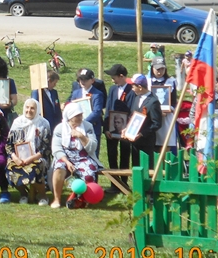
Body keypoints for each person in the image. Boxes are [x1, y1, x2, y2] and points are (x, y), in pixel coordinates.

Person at [49, 102, 102, 209]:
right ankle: (57, 199)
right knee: (59, 168)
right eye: (77, 116)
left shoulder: (87, 126)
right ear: (70, 116)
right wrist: (67, 162)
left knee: (88, 172)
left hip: (83, 157)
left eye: (81, 115)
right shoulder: (60, 128)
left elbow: (93, 147)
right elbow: (56, 148)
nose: (80, 118)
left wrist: (81, 136)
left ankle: (81, 200)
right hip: (65, 158)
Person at [6, 98, 52, 205]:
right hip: (19, 157)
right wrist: (15, 157)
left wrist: (31, 158)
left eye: (32, 108)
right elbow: (9, 145)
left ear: (37, 110)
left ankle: (43, 196)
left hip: (38, 157)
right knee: (10, 167)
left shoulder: (43, 124)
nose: (29, 110)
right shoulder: (17, 122)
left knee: (35, 168)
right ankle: (23, 194)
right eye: (27, 107)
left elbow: (46, 148)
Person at [103, 63, 135, 193]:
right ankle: (114, 183)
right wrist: (106, 128)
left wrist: (128, 129)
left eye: (114, 77)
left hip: (125, 129)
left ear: (122, 76)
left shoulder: (132, 90)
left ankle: (124, 182)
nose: (112, 80)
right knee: (111, 154)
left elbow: (133, 111)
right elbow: (108, 108)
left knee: (125, 155)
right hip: (112, 128)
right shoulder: (112, 89)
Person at [122, 74, 163, 169]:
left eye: (133, 86)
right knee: (136, 166)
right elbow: (133, 117)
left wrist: (141, 134)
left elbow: (156, 123)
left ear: (140, 87)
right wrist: (127, 129)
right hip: (135, 141)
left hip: (146, 142)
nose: (131, 88)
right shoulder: (136, 98)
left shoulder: (153, 102)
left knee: (146, 167)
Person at [69, 68, 105, 149]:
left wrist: (83, 122)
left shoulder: (97, 94)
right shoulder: (76, 93)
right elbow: (72, 109)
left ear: (92, 80)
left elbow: (97, 112)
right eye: (80, 79)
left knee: (93, 153)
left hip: (92, 128)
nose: (82, 81)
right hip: (77, 128)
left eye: (85, 79)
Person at [150, 58, 178, 153]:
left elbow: (174, 101)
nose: (160, 71)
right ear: (152, 68)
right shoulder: (148, 81)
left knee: (166, 141)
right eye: (157, 69)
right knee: (153, 142)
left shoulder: (171, 81)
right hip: (153, 116)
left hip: (167, 117)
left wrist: (169, 109)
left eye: (162, 69)